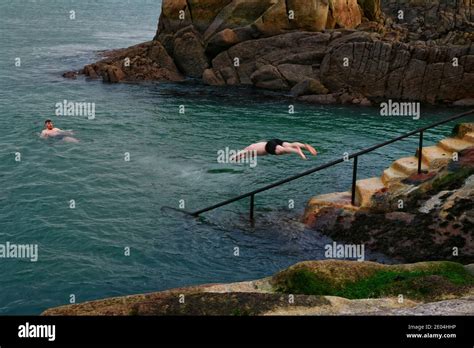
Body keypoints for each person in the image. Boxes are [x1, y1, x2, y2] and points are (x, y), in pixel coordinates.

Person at [232, 139, 317, 161]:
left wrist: (233, 157)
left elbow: (243, 152)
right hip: (273, 141)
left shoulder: (249, 148)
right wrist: (237, 158)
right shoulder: (253, 148)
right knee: (289, 144)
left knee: (281, 151)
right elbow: (244, 156)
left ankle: (297, 151)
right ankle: (303, 146)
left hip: (269, 147)